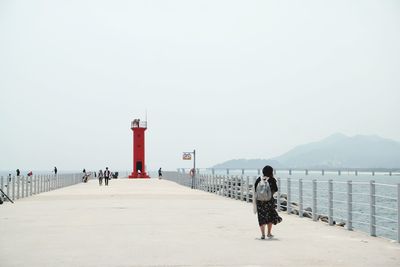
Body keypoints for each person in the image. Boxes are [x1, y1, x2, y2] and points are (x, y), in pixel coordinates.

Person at [253, 165, 282, 239]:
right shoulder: (272, 179)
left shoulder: (259, 179)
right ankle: (269, 233)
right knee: (270, 216)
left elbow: (255, 189)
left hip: (260, 201)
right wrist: (269, 194)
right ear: (271, 172)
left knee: (261, 217)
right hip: (269, 201)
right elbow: (275, 189)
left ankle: (263, 235)